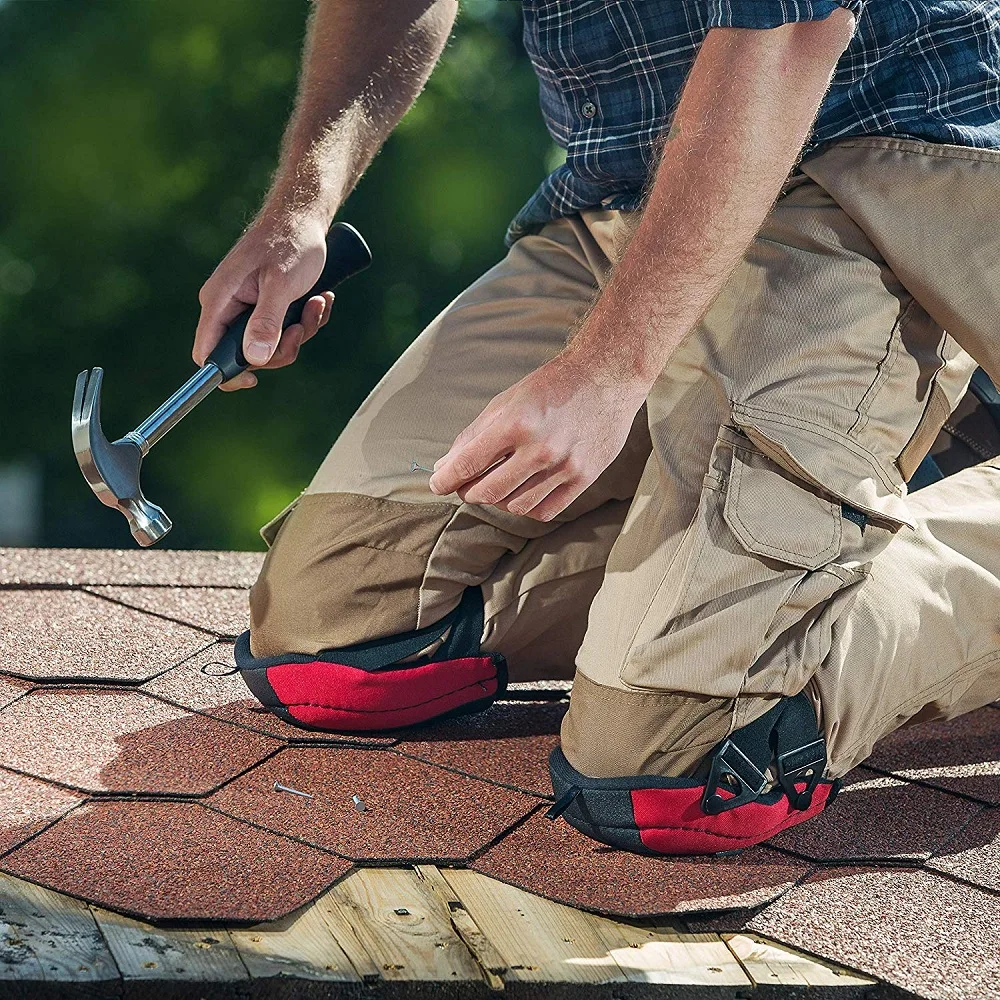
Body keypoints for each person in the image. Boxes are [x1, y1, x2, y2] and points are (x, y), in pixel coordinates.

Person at [195, 1, 1000, 854]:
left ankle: (802, 546)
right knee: (332, 641)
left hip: (878, 163)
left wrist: (608, 370)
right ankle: (797, 523)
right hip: (631, 192)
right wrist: (303, 202)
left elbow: (791, 33)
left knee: (681, 767)